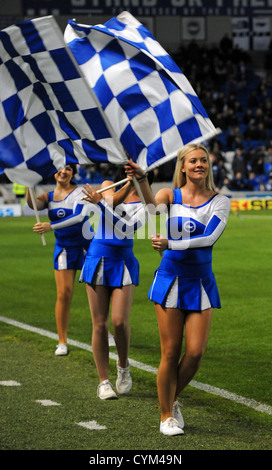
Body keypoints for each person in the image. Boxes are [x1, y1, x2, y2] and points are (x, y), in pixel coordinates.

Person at [125, 144, 231, 436]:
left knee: (195, 353)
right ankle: (166, 415)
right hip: (171, 278)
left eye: (203, 160)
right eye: (193, 161)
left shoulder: (220, 201)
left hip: (201, 282)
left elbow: (209, 238)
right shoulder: (170, 195)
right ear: (182, 166)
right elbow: (151, 211)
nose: (199, 165)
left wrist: (172, 243)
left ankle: (170, 397)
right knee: (170, 352)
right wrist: (143, 179)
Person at [81, 170, 151, 400]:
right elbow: (111, 201)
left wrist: (104, 203)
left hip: (124, 261)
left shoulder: (145, 202)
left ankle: (123, 365)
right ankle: (103, 381)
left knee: (120, 322)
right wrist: (124, 188)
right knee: (99, 324)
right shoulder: (108, 185)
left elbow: (127, 229)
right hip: (98, 258)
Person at [26, 164, 95, 356]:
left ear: (73, 173)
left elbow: (78, 216)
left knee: (96, 292)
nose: (63, 172)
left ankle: (103, 331)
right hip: (64, 249)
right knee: (64, 294)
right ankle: (62, 341)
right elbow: (33, 204)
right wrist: (27, 182)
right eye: (59, 169)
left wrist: (51, 226)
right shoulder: (47, 197)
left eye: (68, 169)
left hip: (87, 247)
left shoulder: (80, 191)